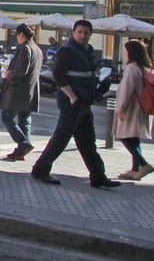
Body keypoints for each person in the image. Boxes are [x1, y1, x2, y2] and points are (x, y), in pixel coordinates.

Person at [30, 19, 119, 189]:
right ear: (73, 33)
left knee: (87, 141)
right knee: (62, 137)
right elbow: (59, 75)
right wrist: (72, 96)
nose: (83, 35)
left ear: (90, 34)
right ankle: (40, 170)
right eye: (80, 32)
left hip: (84, 101)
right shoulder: (67, 50)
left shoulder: (87, 51)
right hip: (73, 101)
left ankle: (98, 176)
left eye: (86, 33)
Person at [0, 24, 43, 160]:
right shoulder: (38, 49)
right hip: (31, 89)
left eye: (17, 35)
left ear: (21, 35)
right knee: (24, 119)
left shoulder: (26, 48)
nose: (17, 38)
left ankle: (23, 144)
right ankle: (21, 150)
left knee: (6, 116)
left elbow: (22, 70)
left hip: (19, 90)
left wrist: (9, 73)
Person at [114, 39, 154, 181]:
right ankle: (135, 169)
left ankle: (143, 164)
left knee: (124, 136)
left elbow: (127, 89)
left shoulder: (132, 68)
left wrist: (121, 108)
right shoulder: (146, 67)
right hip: (143, 107)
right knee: (134, 138)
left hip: (132, 108)